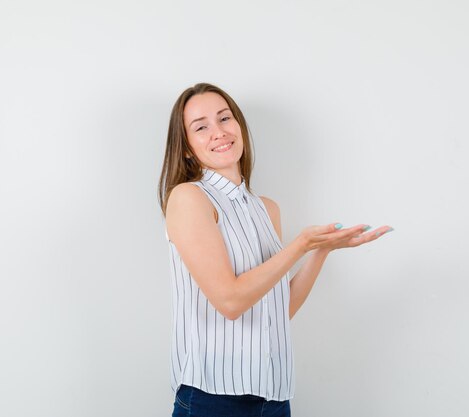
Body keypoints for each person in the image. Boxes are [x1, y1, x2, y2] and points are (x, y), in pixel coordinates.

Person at [158, 82, 393, 417]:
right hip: (213, 399)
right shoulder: (189, 198)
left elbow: (277, 311)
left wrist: (320, 251)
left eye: (225, 118)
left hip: (274, 399)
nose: (219, 132)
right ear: (186, 148)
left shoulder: (266, 208)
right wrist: (300, 245)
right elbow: (231, 301)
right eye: (201, 126)